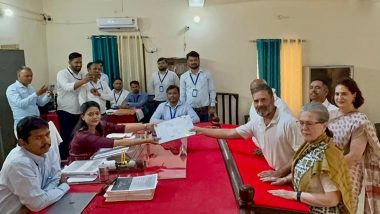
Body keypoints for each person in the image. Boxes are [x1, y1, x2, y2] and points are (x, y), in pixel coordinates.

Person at [192, 84, 303, 178]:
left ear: (273, 100)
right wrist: (200, 130)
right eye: (256, 101)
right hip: (275, 172)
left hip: (292, 176)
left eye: (263, 100)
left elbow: (302, 153)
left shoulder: (289, 122)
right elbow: (230, 133)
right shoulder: (257, 122)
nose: (260, 104)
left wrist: (279, 173)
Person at [268, 102, 353, 213]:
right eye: (301, 123)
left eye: (309, 124)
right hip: (304, 208)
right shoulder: (309, 145)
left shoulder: (327, 155)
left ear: (324, 125)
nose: (304, 128)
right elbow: (309, 174)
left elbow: (332, 199)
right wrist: (285, 179)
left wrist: (294, 195)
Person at [328, 77, 380, 213]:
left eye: (344, 94)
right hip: (328, 168)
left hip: (347, 173)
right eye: (337, 94)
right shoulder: (331, 115)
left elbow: (354, 156)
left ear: (354, 95)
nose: (339, 97)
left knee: (343, 208)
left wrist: (330, 171)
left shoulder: (360, 121)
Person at [0, 117, 69, 213]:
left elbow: (55, 178)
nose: (46, 141)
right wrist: (64, 186)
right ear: (22, 142)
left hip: (33, 209)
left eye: (47, 135)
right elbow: (37, 204)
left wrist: (43, 196)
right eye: (38, 137)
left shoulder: (48, 149)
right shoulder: (18, 163)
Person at [69, 101, 158, 160]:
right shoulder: (83, 135)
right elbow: (117, 143)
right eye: (90, 114)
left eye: (97, 113)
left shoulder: (101, 124)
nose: (95, 117)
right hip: (81, 166)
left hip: (96, 159)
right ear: (83, 117)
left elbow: (122, 128)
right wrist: (147, 140)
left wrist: (146, 126)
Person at [56, 52, 92, 160]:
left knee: (79, 135)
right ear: (69, 62)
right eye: (76, 62)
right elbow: (67, 87)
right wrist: (83, 81)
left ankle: (78, 157)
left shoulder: (81, 74)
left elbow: (84, 88)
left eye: (80, 62)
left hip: (79, 110)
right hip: (66, 110)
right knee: (67, 136)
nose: (79, 64)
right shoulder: (62, 73)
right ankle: (65, 159)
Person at [180, 51, 216, 122]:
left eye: (195, 60)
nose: (193, 62)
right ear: (187, 62)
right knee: (191, 131)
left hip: (204, 109)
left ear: (199, 61)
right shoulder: (183, 76)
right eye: (191, 60)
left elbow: (212, 90)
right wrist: (182, 108)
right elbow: (182, 94)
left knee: (204, 129)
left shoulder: (207, 74)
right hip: (189, 110)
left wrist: (212, 105)